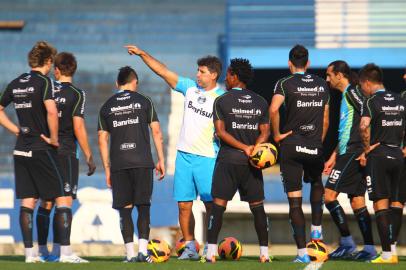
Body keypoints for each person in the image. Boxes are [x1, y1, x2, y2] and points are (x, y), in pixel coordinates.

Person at [125, 45, 224, 259]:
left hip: (208, 158)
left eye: (202, 72)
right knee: (183, 205)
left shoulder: (222, 98)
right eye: (197, 71)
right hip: (184, 157)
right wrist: (143, 54)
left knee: (211, 205)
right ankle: (190, 246)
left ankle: (211, 245)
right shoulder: (189, 88)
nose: (197, 75)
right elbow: (163, 71)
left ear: (214, 74)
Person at [0, 41, 72, 263]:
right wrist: (52, 137)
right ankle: (65, 253)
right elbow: (51, 111)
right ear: (48, 62)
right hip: (41, 148)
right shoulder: (44, 82)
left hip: (21, 149)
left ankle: (30, 254)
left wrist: (17, 131)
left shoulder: (16, 82)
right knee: (63, 194)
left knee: (27, 201)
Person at [202, 58, 270, 263]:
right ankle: (264, 254)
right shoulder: (260, 101)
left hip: (228, 160)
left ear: (234, 76)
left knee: (218, 206)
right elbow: (265, 132)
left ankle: (211, 252)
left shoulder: (221, 100)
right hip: (252, 163)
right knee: (258, 207)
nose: (226, 78)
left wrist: (243, 147)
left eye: (228, 74)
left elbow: (220, 132)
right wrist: (255, 149)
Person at [269, 44, 329, 263]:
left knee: (294, 202)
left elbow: (273, 109)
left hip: (291, 147)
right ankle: (317, 229)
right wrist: (317, 143)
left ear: (289, 63)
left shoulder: (284, 83)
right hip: (314, 145)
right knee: (316, 182)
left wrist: (277, 135)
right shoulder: (322, 85)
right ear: (309, 63)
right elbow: (325, 119)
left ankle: (302, 253)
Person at [98, 66, 165, 263]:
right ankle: (143, 253)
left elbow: (102, 139)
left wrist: (107, 168)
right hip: (143, 162)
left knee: (124, 209)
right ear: (134, 82)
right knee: (143, 207)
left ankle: (129, 255)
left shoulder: (107, 106)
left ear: (117, 84)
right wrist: (161, 159)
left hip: (119, 164)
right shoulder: (145, 101)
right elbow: (157, 132)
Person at [35, 52, 96, 263]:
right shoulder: (77, 94)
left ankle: (43, 251)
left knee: (46, 202)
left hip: (43, 152)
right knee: (64, 202)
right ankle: (65, 253)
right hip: (66, 152)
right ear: (73, 70)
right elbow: (78, 126)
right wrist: (89, 155)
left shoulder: (45, 89)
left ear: (56, 70)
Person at [323, 61, 376, 260]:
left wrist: (366, 149)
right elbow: (347, 130)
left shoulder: (353, 92)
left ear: (339, 75)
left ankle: (346, 243)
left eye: (329, 75)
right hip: (348, 151)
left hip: (355, 152)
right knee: (356, 200)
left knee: (329, 196)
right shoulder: (345, 96)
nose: (327, 79)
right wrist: (333, 155)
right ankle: (369, 249)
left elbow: (367, 113)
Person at [358, 63, 406, 263]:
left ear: (367, 83)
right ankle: (392, 249)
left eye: (361, 86)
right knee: (397, 203)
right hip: (398, 154)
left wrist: (367, 148)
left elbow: (363, 126)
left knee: (380, 203)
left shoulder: (370, 101)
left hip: (379, 156)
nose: (361, 89)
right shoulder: (399, 99)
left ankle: (386, 254)